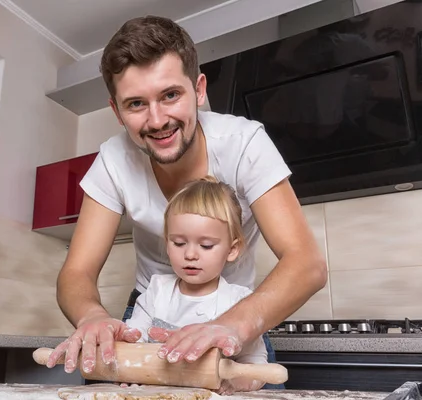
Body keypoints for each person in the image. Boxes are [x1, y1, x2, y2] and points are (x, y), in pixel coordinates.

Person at [44, 15, 327, 389]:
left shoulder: (244, 143)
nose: (157, 120)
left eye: (170, 95)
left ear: (199, 90)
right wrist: (91, 316)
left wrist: (232, 325)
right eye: (136, 104)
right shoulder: (112, 161)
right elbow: (76, 273)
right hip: (150, 312)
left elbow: (306, 264)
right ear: (116, 111)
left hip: (234, 313)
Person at [125, 176, 268, 395]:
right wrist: (129, 376)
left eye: (206, 245)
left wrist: (237, 383)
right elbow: (132, 348)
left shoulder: (239, 302)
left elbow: (255, 363)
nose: (190, 254)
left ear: (232, 249)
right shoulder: (156, 292)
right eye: (179, 243)